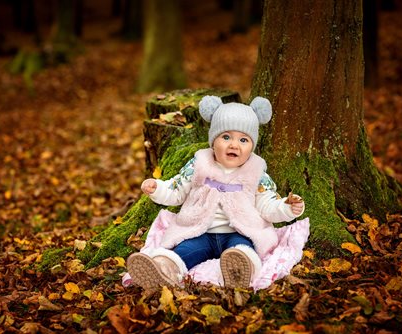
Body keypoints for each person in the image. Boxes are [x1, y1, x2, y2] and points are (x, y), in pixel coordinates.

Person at [127, 95, 305, 290]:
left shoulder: (256, 171)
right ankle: (163, 270)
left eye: (243, 140)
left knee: (243, 249)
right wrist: (157, 188)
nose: (234, 145)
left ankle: (239, 271)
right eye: (226, 137)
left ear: (252, 146)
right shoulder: (199, 164)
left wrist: (286, 207)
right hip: (200, 232)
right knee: (183, 251)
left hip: (239, 231)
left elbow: (267, 204)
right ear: (213, 141)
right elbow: (176, 190)